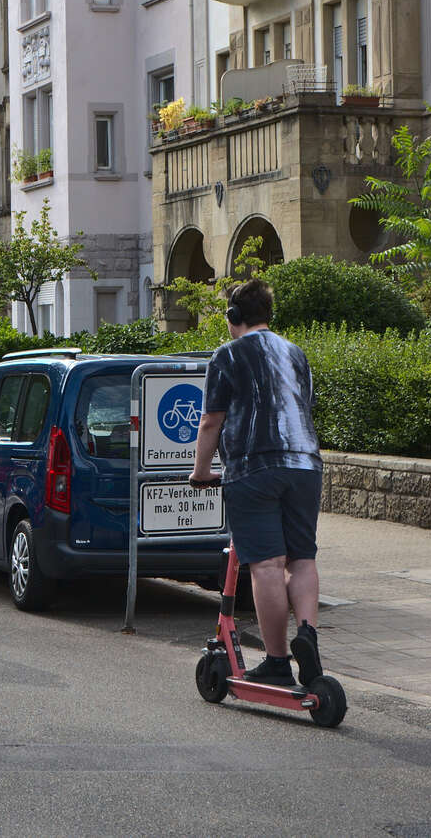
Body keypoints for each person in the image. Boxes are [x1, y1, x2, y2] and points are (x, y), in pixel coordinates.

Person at [190, 279, 324, 689]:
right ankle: (307, 634)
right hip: (305, 466)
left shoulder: (227, 355)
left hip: (254, 468)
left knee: (266, 565)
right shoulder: (296, 353)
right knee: (301, 558)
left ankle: (279, 661)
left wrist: (200, 472)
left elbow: (212, 420)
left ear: (233, 317)